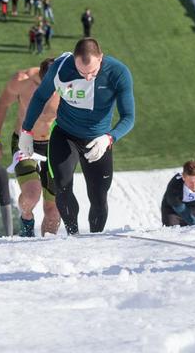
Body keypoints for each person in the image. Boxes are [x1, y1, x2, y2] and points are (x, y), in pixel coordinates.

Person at [20, 38, 134, 234]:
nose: (88, 77)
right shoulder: (60, 68)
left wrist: (109, 138)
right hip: (65, 135)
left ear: (101, 58)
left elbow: (129, 117)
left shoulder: (118, 73)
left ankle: (95, 237)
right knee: (61, 186)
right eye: (82, 72)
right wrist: (26, 131)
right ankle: (73, 234)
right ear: (74, 60)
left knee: (98, 196)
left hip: (98, 141)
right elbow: (40, 96)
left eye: (92, 72)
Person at [0, 59, 60, 236]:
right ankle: (26, 219)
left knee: (53, 211)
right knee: (31, 195)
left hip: (55, 145)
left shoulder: (68, 84)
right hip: (25, 143)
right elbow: (2, 104)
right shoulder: (22, 81)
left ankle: (47, 247)